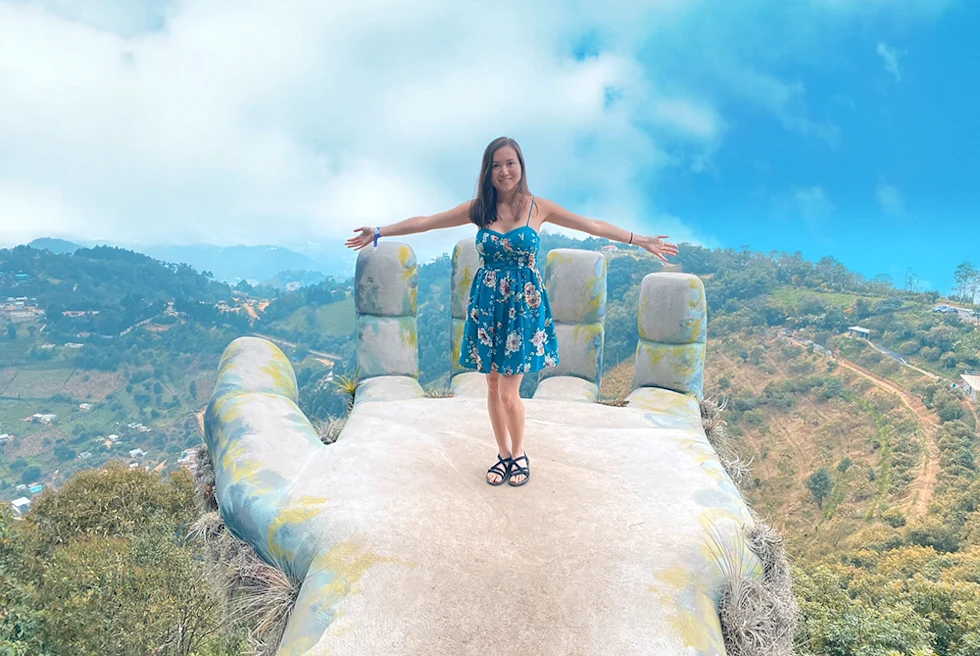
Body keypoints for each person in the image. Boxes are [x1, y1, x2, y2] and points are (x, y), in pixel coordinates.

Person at [345, 136, 680, 487]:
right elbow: (428, 221)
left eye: (510, 163)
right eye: (496, 165)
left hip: (523, 307)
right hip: (487, 305)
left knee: (509, 392)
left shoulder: (538, 207)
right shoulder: (479, 209)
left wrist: (639, 239)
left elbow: (591, 225)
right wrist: (380, 231)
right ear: (487, 171)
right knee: (491, 386)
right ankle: (503, 454)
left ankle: (519, 453)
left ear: (521, 166)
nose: (504, 171)